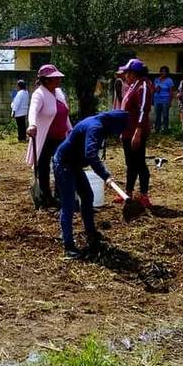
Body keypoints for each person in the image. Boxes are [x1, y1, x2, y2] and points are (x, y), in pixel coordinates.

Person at [53, 110, 129, 258]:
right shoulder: (96, 127)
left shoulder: (99, 123)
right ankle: (68, 244)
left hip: (74, 164)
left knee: (87, 195)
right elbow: (91, 155)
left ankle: (91, 231)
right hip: (63, 163)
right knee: (68, 204)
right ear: (115, 125)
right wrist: (105, 176)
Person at [25, 64, 72, 208]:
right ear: (46, 80)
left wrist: (71, 130)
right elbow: (32, 110)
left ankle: (60, 193)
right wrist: (32, 124)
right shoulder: (39, 94)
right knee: (43, 167)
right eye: (54, 78)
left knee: (62, 165)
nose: (58, 80)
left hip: (61, 137)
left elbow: (65, 113)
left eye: (58, 77)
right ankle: (46, 197)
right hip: (46, 138)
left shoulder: (59, 93)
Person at [116, 58, 154, 207]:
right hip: (128, 131)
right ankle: (128, 192)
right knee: (130, 163)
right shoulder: (133, 85)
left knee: (139, 163)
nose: (125, 75)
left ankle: (144, 195)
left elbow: (143, 110)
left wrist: (137, 132)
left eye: (126, 72)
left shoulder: (143, 87)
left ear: (133, 73)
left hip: (135, 132)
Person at [153, 66, 175, 134]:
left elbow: (171, 92)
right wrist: (156, 89)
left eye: (164, 71)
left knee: (165, 115)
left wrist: (170, 101)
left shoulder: (169, 80)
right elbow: (154, 89)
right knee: (157, 115)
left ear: (167, 73)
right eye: (162, 71)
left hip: (165, 100)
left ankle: (165, 129)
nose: (163, 73)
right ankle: (157, 129)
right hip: (157, 100)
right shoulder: (156, 79)